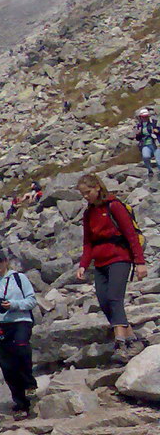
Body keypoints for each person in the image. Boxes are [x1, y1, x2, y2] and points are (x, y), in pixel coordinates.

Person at [75, 173, 148, 361]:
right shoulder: (88, 213)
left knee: (115, 297)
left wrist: (139, 262)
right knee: (104, 301)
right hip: (100, 262)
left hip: (120, 257)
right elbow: (87, 243)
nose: (86, 196)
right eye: (82, 194)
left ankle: (120, 342)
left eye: (88, 192)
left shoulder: (114, 206)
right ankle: (132, 337)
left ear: (97, 187)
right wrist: (83, 265)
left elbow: (131, 235)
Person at [0, 250, 38, 419]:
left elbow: (32, 300)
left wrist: (14, 304)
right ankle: (20, 402)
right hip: (1, 324)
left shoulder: (18, 278)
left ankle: (30, 384)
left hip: (21, 320)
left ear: (6, 261)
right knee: (7, 364)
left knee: (21, 347)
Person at [134, 108, 160, 178]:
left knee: (158, 161)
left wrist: (157, 131)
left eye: (146, 116)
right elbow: (138, 138)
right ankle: (150, 170)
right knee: (146, 157)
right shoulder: (139, 126)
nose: (145, 118)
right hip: (145, 144)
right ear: (140, 117)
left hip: (155, 143)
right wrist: (138, 134)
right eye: (143, 117)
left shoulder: (154, 122)